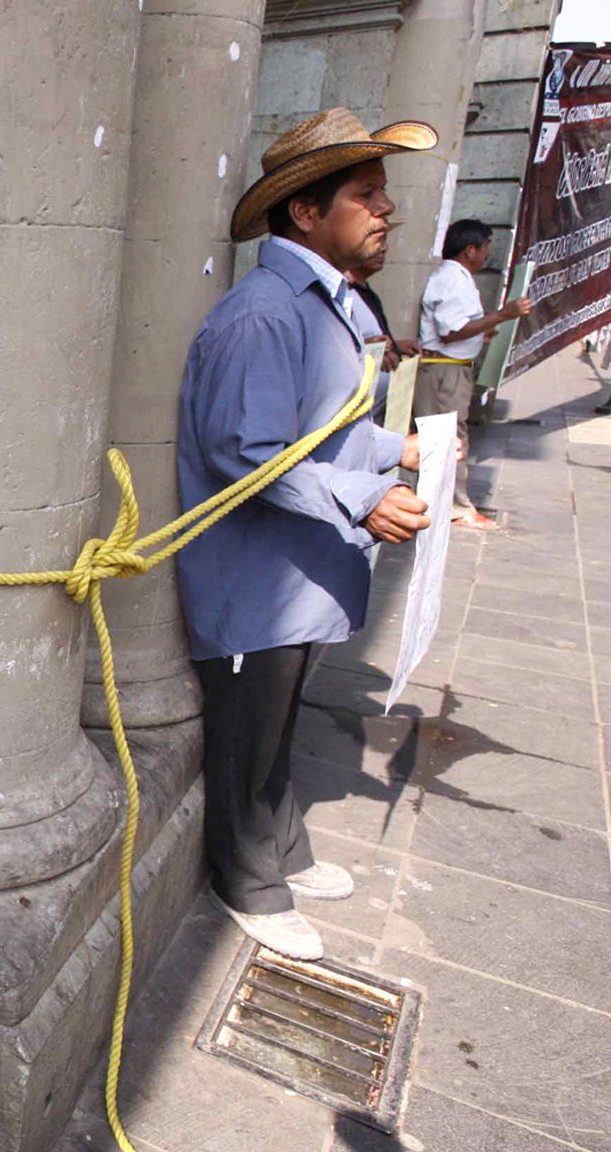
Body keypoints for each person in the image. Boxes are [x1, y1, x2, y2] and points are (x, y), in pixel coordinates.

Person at [178, 107, 437, 961]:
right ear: (305, 212)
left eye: (381, 197)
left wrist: (392, 449)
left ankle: (282, 849)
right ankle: (246, 882)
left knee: (278, 724)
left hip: (296, 568)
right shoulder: (263, 313)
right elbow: (241, 454)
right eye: (365, 196)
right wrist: (362, 501)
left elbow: (322, 434)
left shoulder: (331, 308)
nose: (383, 212)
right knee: (249, 734)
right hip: (253, 576)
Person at [417, 218, 532, 531]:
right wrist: (503, 314)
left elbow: (457, 327)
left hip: (451, 370)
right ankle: (454, 507)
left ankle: (446, 503)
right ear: (470, 250)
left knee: (450, 437)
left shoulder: (458, 278)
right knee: (449, 440)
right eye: (485, 247)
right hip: (444, 373)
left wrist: (482, 334)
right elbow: (450, 330)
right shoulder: (452, 279)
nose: (488, 254)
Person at [349, 243, 421, 372]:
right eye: (374, 240)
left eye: (384, 240)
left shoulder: (365, 292)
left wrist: (395, 346)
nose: (383, 248)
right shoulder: (342, 295)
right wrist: (364, 348)